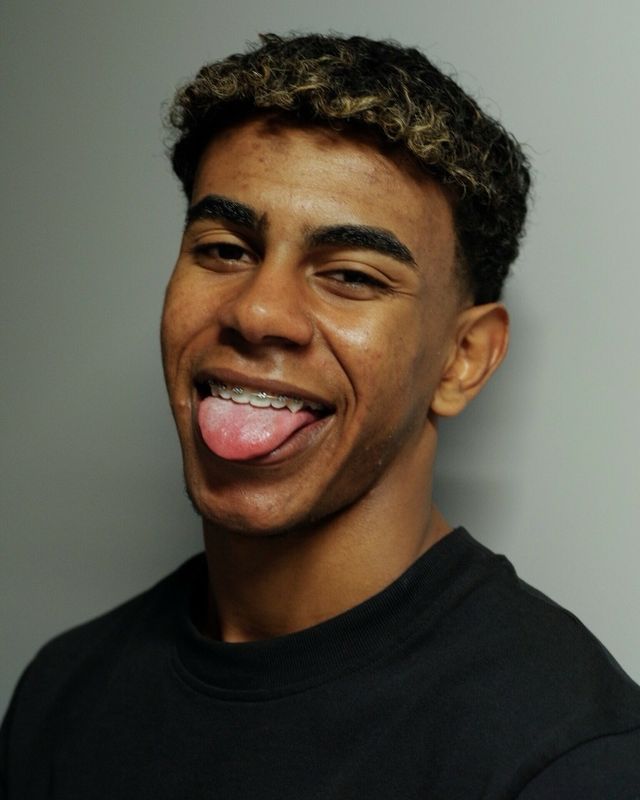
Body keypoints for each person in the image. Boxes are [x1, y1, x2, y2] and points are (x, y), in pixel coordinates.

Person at [1, 32, 639, 799]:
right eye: (225, 249)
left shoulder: (569, 758)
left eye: (351, 275)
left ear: (463, 358)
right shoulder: (63, 692)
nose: (258, 312)